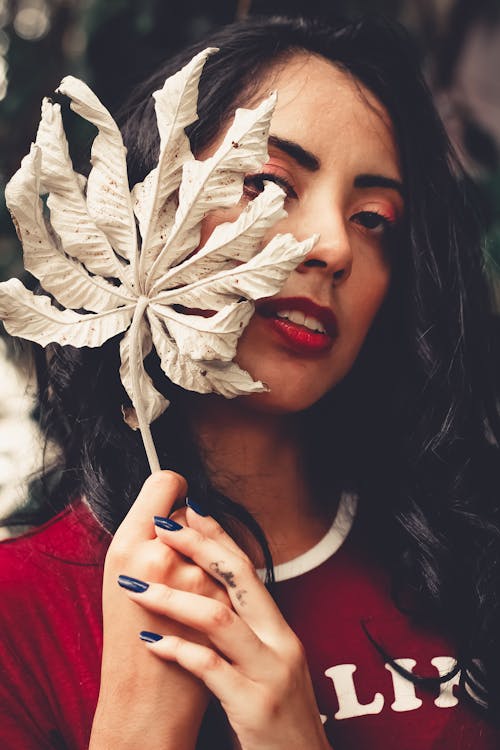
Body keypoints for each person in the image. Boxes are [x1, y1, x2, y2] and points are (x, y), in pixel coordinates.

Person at [1, 13, 500, 750]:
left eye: (373, 220)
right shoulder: (19, 614)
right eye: (267, 182)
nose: (332, 246)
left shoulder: (469, 556)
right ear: (144, 208)